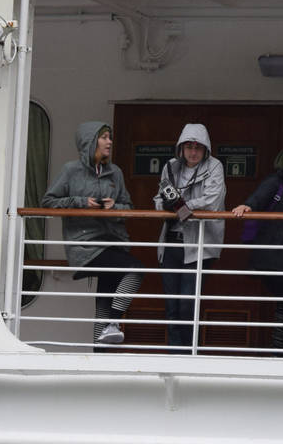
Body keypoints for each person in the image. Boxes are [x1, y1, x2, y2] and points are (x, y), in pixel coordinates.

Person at [43, 121, 138, 347]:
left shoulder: (115, 173)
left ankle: (100, 352)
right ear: (90, 142)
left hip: (114, 242)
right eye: (104, 137)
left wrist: (114, 207)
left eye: (110, 137)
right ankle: (113, 324)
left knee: (104, 299)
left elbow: (129, 208)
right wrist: (80, 203)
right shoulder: (71, 171)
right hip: (85, 245)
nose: (109, 142)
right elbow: (48, 202)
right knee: (136, 270)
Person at [231, 147, 283, 354]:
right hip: (278, 260)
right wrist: (247, 206)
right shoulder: (276, 182)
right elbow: (257, 200)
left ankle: (278, 355)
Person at [151, 123, 226, 350]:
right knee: (172, 304)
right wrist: (166, 205)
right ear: (181, 148)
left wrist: (181, 207)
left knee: (187, 304)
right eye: (189, 146)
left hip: (199, 244)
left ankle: (190, 352)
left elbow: (212, 201)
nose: (193, 152)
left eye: (198, 147)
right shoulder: (170, 167)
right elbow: (158, 199)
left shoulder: (215, 166)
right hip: (171, 241)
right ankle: (176, 353)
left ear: (205, 150)